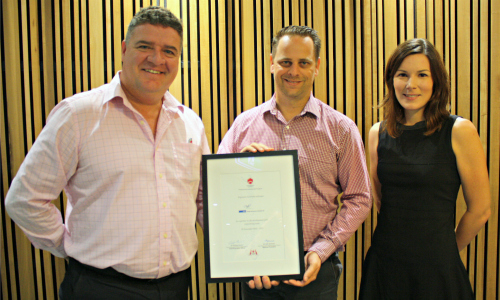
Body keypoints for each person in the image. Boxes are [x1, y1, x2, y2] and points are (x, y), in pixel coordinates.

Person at [5, 6, 210, 300]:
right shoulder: (78, 115)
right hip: (100, 287)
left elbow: (202, 198)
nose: (156, 59)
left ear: (178, 59)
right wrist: (69, 246)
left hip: (176, 286)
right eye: (145, 47)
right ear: (124, 49)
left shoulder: (190, 122)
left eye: (169, 51)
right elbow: (24, 199)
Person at [217, 25, 372, 300]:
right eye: (286, 62)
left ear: (317, 66)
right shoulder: (243, 126)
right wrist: (239, 165)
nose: (294, 71)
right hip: (256, 269)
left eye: (304, 63)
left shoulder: (342, 129)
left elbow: (359, 198)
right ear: (271, 64)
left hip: (316, 267)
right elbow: (215, 191)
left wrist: (323, 248)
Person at [359, 38, 491, 299]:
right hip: (385, 265)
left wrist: (446, 250)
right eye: (402, 75)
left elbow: (480, 210)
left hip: (438, 268)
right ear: (391, 80)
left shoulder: (460, 131)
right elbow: (381, 199)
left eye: (422, 75)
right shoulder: (378, 133)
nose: (411, 85)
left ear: (436, 82)